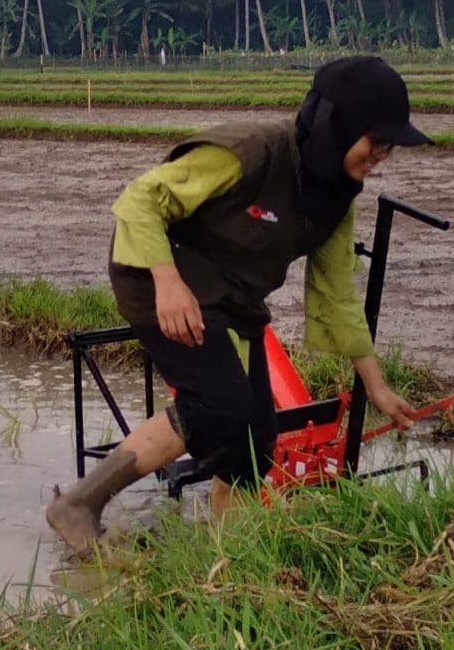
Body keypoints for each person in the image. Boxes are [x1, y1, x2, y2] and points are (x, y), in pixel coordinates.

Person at [46, 56, 428, 553]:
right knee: (217, 408)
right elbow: (140, 199)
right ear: (339, 125)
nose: (382, 154)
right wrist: (167, 280)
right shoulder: (252, 152)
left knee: (256, 439)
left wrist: (376, 386)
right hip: (158, 277)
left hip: (230, 297)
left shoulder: (335, 197)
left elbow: (336, 291)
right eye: (376, 139)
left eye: (389, 146)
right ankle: (77, 505)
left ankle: (234, 557)